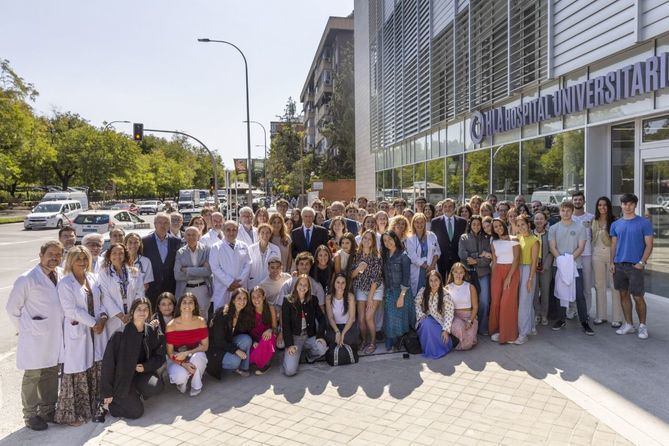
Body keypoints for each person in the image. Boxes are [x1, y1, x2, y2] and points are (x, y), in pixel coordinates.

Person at [6, 241, 64, 431]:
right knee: (33, 375)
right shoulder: (27, 279)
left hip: (54, 336)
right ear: (41, 256)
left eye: (58, 254)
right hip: (34, 337)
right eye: (50, 254)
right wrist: (26, 328)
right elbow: (12, 309)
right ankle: (30, 415)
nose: (54, 258)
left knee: (50, 373)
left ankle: (48, 410)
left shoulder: (61, 274)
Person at [55, 246, 107, 426]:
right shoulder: (65, 283)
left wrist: (102, 318)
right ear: (70, 261)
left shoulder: (92, 278)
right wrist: (95, 323)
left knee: (92, 366)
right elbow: (71, 310)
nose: (83, 263)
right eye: (78, 259)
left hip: (95, 332)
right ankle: (71, 415)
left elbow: (99, 302)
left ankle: (91, 409)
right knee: (76, 370)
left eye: (85, 259)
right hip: (78, 331)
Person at [101, 298, 165, 420]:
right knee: (136, 412)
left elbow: (160, 354)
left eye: (145, 309)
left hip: (140, 374)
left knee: (157, 386)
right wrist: (107, 391)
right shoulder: (120, 335)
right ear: (132, 312)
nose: (142, 312)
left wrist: (146, 367)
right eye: (139, 309)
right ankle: (109, 405)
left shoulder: (150, 330)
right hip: (122, 379)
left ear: (149, 312)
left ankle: (135, 393)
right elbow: (108, 364)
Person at [610, 193, 653, 339]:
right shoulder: (615, 224)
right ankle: (629, 324)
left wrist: (642, 262)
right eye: (624, 204)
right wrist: (611, 262)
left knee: (638, 297)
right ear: (621, 205)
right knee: (623, 295)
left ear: (635, 205)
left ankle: (642, 326)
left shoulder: (644, 223)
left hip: (635, 266)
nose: (627, 206)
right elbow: (614, 245)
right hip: (619, 265)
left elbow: (649, 245)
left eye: (630, 204)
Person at [548, 201, 593, 335]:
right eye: (563, 210)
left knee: (579, 294)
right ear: (559, 212)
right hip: (559, 265)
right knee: (560, 293)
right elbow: (552, 247)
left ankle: (584, 321)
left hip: (575, 265)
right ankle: (561, 319)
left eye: (568, 210)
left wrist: (569, 260)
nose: (565, 213)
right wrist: (561, 261)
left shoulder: (580, 228)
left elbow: (581, 247)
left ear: (572, 211)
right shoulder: (554, 228)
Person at [281, 275, 328, 376]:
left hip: (309, 336)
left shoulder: (313, 300)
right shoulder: (288, 300)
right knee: (290, 371)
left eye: (305, 285)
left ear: (309, 287)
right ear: (296, 285)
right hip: (295, 338)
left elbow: (322, 318)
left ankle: (310, 356)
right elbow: (285, 325)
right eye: (300, 284)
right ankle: (291, 355)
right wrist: (289, 345)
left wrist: (320, 336)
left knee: (322, 348)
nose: (303, 287)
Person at [99, 243, 145, 340]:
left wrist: (131, 313)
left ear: (125, 255)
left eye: (121, 253)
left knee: (130, 343)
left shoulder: (135, 271)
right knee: (114, 344)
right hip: (114, 317)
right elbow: (105, 296)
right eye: (114, 253)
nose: (117, 256)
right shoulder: (104, 273)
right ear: (109, 256)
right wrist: (121, 316)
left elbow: (140, 292)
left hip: (132, 314)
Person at [165, 293, 209, 396]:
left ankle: (196, 384)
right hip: (176, 357)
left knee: (199, 357)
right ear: (179, 306)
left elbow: (205, 346)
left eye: (190, 302)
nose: (187, 305)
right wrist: (183, 364)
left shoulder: (200, 321)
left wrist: (188, 353)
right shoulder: (171, 325)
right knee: (179, 376)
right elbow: (170, 353)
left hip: (194, 354)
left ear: (194, 306)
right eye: (184, 302)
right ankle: (182, 381)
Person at [207, 288, 255, 378]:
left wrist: (255, 341)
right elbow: (219, 341)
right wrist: (236, 350)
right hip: (216, 348)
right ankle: (230, 366)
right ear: (233, 300)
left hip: (228, 343)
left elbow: (248, 331)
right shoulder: (222, 313)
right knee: (235, 361)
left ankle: (243, 368)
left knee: (247, 339)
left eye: (245, 298)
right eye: (239, 298)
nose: (242, 301)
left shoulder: (243, 313)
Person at [350, 230, 384, 354]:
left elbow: (376, 279)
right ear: (361, 239)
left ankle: (373, 342)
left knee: (369, 317)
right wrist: (358, 269)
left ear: (373, 242)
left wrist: (370, 297)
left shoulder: (376, 256)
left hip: (375, 290)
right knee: (361, 319)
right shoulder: (356, 255)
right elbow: (351, 275)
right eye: (365, 238)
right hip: (360, 288)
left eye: (370, 239)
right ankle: (364, 340)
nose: (367, 241)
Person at [591, 196, 623, 326]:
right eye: (599, 205)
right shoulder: (594, 220)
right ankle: (601, 315)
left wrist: (614, 260)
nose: (602, 207)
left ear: (608, 207)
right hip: (597, 254)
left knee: (615, 286)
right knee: (599, 285)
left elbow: (618, 241)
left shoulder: (615, 221)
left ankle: (617, 318)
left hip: (611, 254)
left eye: (604, 205)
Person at [458, 215, 492, 335]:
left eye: (478, 224)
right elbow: (462, 254)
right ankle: (470, 326)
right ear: (470, 225)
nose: (476, 226)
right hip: (468, 274)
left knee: (484, 301)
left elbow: (488, 258)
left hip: (483, 273)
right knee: (469, 302)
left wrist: (476, 260)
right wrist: (479, 254)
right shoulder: (464, 237)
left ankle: (482, 327)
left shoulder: (487, 238)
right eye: (474, 224)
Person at [381, 231, 414, 351]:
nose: (388, 242)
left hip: (401, 292)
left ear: (395, 239)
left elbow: (406, 278)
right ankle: (392, 341)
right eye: (385, 240)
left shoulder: (403, 256)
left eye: (390, 239)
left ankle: (399, 342)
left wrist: (402, 296)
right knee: (390, 318)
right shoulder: (384, 255)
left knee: (400, 319)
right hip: (389, 291)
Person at [489, 219, 520, 344]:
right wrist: (493, 277)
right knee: (495, 301)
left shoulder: (514, 239)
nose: (498, 228)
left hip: (511, 272)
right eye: (495, 227)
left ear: (504, 225)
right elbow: (495, 261)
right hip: (497, 272)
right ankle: (496, 330)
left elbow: (516, 259)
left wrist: (508, 277)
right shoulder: (494, 242)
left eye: (500, 225)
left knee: (506, 302)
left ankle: (508, 334)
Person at [209, 220, 251, 311]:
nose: (231, 232)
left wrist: (239, 282)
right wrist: (229, 282)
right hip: (223, 287)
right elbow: (215, 268)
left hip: (240, 286)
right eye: (228, 230)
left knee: (241, 313)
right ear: (223, 231)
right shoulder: (216, 247)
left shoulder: (243, 245)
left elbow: (248, 264)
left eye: (234, 230)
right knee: (222, 314)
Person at [142, 213, 181, 308]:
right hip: (151, 288)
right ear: (155, 224)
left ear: (170, 224)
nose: (163, 225)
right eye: (160, 222)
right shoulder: (145, 242)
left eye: (166, 222)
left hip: (171, 287)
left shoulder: (177, 241)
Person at [174, 227, 212, 320]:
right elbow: (177, 275)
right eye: (188, 235)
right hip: (186, 289)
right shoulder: (180, 252)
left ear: (199, 236)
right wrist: (200, 270)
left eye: (194, 235)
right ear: (185, 237)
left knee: (203, 317)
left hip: (202, 289)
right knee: (187, 316)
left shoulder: (206, 250)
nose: (191, 237)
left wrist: (187, 270)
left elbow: (208, 271)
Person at [415, 270, 454, 359]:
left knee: (437, 333)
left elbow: (449, 313)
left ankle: (440, 348)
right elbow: (416, 303)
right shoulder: (423, 291)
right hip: (424, 319)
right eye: (431, 281)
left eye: (436, 280)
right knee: (426, 324)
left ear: (440, 281)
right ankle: (428, 350)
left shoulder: (445, 295)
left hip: (439, 322)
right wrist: (421, 315)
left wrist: (446, 330)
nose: (433, 283)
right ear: (428, 282)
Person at [515, 215, 539, 344]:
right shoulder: (517, 238)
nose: (521, 228)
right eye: (518, 225)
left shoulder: (534, 240)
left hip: (528, 270)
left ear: (528, 225)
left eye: (523, 224)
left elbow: (535, 261)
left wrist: (530, 279)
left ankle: (523, 333)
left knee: (524, 301)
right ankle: (532, 326)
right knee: (524, 300)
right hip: (517, 269)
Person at [571, 191, 594, 318]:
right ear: (572, 201)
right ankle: (573, 309)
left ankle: (586, 311)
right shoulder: (569, 217)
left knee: (586, 285)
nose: (577, 202)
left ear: (584, 201)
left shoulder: (591, 217)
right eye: (575, 200)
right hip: (572, 256)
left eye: (580, 199)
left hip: (587, 255)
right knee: (572, 284)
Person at [406, 213, 441, 297]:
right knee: (418, 294)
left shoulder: (432, 235)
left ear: (425, 223)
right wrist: (426, 267)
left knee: (432, 292)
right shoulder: (410, 238)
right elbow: (413, 257)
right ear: (413, 223)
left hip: (432, 268)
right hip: (418, 269)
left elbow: (437, 251)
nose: (419, 224)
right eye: (417, 222)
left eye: (422, 222)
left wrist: (432, 266)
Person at [446, 263, 479, 350]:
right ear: (452, 273)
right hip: (454, 316)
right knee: (460, 327)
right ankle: (457, 340)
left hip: (469, 316)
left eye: (461, 272)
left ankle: (461, 341)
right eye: (456, 272)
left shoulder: (470, 287)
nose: (458, 275)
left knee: (469, 343)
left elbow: (475, 307)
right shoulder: (447, 288)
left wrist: (470, 321)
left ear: (464, 274)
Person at [432, 198, 467, 277]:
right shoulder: (435, 222)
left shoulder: (462, 222)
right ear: (442, 208)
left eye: (450, 206)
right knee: (441, 282)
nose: (448, 209)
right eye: (445, 206)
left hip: (457, 258)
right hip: (441, 258)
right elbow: (433, 241)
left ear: (454, 208)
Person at [325, 273, 359, 349]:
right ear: (334, 283)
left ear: (346, 284)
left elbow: (352, 318)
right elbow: (330, 318)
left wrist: (343, 333)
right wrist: (337, 332)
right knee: (330, 337)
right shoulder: (328, 298)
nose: (340, 285)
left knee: (347, 339)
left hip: (348, 326)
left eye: (343, 282)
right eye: (338, 282)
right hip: (335, 326)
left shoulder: (350, 297)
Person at [249, 287, 277, 374]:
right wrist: (253, 341)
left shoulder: (270, 308)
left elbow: (275, 329)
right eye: (253, 297)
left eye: (259, 296)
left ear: (264, 297)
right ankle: (257, 358)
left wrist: (270, 330)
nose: (256, 299)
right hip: (255, 340)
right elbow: (247, 331)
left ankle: (265, 365)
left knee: (266, 339)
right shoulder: (249, 310)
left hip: (267, 338)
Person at [533, 210, 553, 326]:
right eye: (537, 218)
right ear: (533, 220)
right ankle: (537, 313)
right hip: (533, 267)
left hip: (546, 267)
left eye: (541, 219)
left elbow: (551, 252)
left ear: (545, 221)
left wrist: (545, 266)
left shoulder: (550, 234)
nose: (539, 221)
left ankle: (544, 315)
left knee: (545, 292)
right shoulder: (530, 234)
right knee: (534, 292)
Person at [248, 223, 281, 290]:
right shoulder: (251, 249)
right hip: (254, 282)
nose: (265, 235)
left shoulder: (275, 249)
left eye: (267, 233)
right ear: (258, 234)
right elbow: (248, 266)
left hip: (270, 283)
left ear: (270, 234)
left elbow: (278, 267)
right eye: (262, 232)